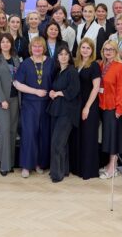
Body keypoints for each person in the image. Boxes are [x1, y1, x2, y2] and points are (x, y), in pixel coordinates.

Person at [14, 37, 53, 178]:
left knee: (43, 135)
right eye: (35, 46)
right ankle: (26, 166)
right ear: (31, 48)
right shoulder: (25, 63)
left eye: (40, 46)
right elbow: (17, 84)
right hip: (30, 104)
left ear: (44, 48)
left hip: (46, 104)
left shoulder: (50, 62)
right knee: (29, 134)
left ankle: (38, 163)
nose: (37, 49)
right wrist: (35, 91)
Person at [68, 37, 101, 180]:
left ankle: (88, 170)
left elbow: (96, 87)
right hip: (77, 105)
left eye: (88, 48)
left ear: (92, 50)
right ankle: (77, 168)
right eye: (83, 47)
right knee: (78, 136)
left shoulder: (94, 65)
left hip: (89, 105)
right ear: (79, 49)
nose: (85, 50)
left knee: (88, 137)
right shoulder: (76, 64)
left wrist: (87, 107)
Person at [47, 45, 80, 183]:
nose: (64, 56)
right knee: (62, 143)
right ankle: (63, 170)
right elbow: (55, 88)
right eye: (61, 54)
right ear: (57, 57)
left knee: (57, 143)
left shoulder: (72, 71)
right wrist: (52, 92)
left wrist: (59, 93)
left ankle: (56, 175)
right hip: (57, 110)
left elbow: (74, 90)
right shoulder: (58, 71)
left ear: (69, 56)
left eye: (66, 54)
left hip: (67, 112)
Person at [0, 33, 21, 176]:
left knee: (13, 131)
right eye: (3, 42)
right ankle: (4, 165)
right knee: (4, 130)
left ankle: (11, 163)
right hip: (2, 100)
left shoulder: (15, 58)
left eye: (8, 42)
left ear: (11, 44)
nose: (5, 44)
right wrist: (2, 99)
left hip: (15, 98)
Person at [98, 40, 122, 179]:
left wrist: (119, 109)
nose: (108, 52)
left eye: (111, 49)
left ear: (116, 51)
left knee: (114, 138)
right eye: (106, 49)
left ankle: (113, 168)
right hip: (102, 106)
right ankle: (110, 164)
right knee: (107, 137)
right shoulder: (102, 65)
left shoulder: (120, 67)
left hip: (114, 107)